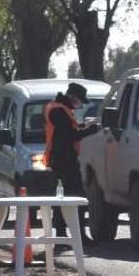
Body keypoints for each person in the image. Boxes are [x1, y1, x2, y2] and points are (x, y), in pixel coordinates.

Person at [43, 82, 100, 251]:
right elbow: (69, 136)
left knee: (64, 198)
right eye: (80, 100)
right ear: (73, 97)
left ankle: (63, 235)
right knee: (75, 198)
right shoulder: (58, 111)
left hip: (62, 158)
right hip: (63, 160)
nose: (81, 104)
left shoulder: (60, 108)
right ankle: (78, 236)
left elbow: (69, 130)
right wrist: (92, 130)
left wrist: (84, 126)